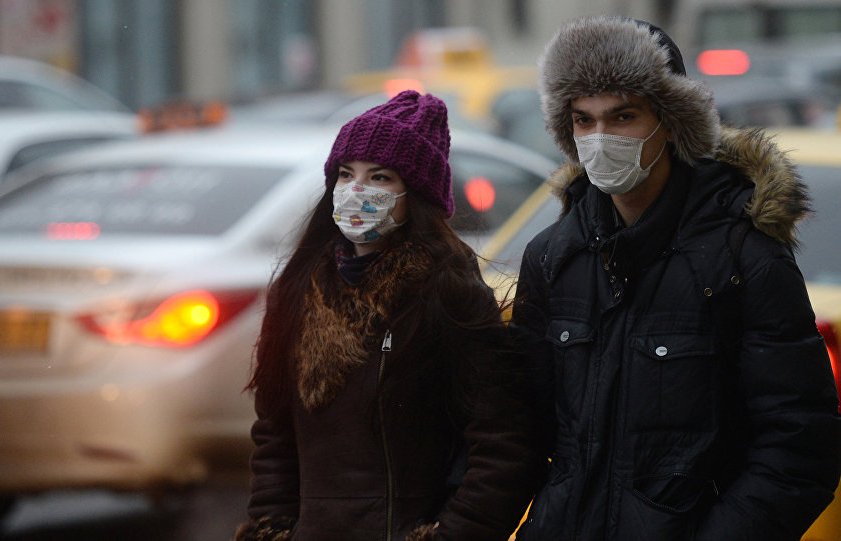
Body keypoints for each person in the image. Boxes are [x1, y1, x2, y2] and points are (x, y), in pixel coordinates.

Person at [509, 16, 841, 541]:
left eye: (622, 116)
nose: (601, 138)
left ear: (670, 121)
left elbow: (800, 450)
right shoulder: (553, 258)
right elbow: (518, 433)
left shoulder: (744, 258)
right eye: (583, 120)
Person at [234, 90, 544, 540]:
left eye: (379, 177)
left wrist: (452, 534)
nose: (357, 190)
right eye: (346, 174)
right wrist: (273, 529)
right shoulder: (300, 288)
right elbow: (274, 437)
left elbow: (506, 442)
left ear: (413, 196)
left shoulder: (446, 290)